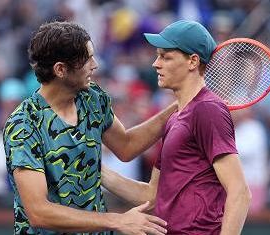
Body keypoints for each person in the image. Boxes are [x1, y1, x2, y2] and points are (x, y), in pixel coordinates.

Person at [3, 21, 176, 235]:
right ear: (61, 69)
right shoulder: (23, 124)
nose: (95, 65)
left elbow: (126, 146)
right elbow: (39, 212)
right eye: (87, 59)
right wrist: (116, 220)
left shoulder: (92, 97)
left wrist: (179, 107)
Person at [102, 20, 251, 235]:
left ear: (192, 61)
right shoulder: (175, 117)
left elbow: (240, 192)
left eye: (165, 56)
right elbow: (152, 195)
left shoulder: (207, 109)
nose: (156, 64)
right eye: (157, 56)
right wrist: (98, 171)